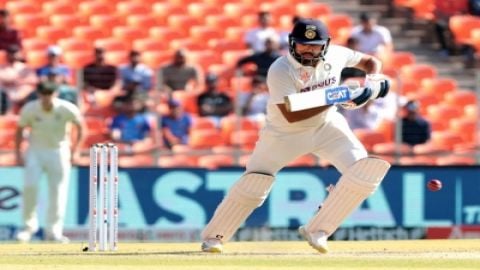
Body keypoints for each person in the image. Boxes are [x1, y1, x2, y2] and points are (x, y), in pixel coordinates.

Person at [200, 18, 391, 254]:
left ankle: (318, 230)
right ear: (292, 44)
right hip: (283, 134)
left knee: (363, 174)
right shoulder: (280, 68)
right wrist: (338, 95)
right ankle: (213, 238)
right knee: (255, 181)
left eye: (315, 45)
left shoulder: (337, 54)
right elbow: (292, 113)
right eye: (303, 45)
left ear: (326, 45)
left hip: (327, 127)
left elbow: (371, 61)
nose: (309, 50)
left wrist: (369, 83)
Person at [15, 81, 84, 243]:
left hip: (58, 152)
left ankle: (54, 231)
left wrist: (76, 150)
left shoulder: (66, 108)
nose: (47, 98)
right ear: (39, 95)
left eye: (50, 94)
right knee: (30, 187)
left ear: (56, 94)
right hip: (35, 151)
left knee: (58, 191)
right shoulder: (30, 109)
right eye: (44, 94)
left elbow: (81, 127)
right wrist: (18, 153)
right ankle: (28, 228)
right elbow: (19, 129)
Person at [0, 44, 37, 114]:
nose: (13, 55)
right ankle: (4, 117)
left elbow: (34, 80)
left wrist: (20, 81)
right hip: (7, 94)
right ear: (7, 54)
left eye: (15, 53)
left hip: (23, 94)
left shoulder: (25, 67)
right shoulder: (2, 67)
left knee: (35, 93)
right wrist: (12, 80)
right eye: (11, 53)